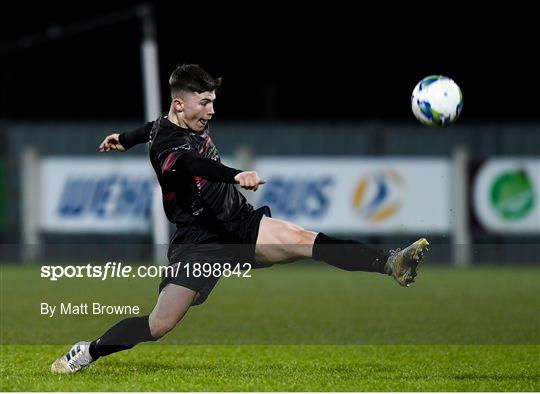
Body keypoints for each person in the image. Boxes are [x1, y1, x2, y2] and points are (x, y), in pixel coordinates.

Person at [51, 64, 429, 373]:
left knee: (303, 239)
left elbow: (148, 128)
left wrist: (124, 137)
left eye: (213, 101)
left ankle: (390, 263)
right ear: (180, 106)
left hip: (239, 224)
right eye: (204, 102)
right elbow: (191, 163)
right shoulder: (169, 145)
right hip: (199, 243)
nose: (212, 110)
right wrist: (233, 174)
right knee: (159, 325)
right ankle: (89, 351)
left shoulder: (173, 123)